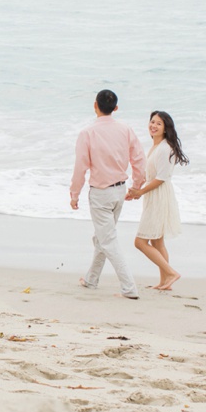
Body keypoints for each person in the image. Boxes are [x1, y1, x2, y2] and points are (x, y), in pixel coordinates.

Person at [70, 90, 146, 299]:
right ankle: (91, 279)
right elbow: (139, 160)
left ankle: (129, 287)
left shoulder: (87, 133)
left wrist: (74, 194)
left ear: (95, 105)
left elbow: (80, 168)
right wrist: (136, 186)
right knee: (103, 238)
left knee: (108, 241)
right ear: (116, 108)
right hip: (120, 191)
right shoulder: (126, 130)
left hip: (101, 194)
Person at [126, 111, 189, 290]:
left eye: (158, 123)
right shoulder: (157, 146)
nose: (153, 125)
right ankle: (165, 282)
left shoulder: (165, 148)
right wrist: (135, 192)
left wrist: (141, 192)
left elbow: (161, 178)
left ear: (166, 128)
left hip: (159, 196)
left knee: (140, 242)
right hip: (154, 195)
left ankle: (171, 273)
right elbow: (151, 175)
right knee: (157, 242)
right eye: (152, 122)